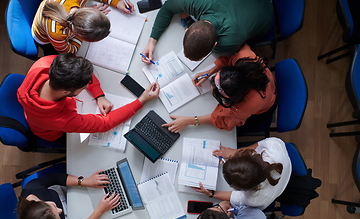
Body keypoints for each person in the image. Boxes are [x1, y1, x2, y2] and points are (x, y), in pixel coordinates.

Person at [17, 53, 159, 142]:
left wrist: (99, 94)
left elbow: (79, 66)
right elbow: (104, 124)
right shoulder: (63, 120)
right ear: (65, 92)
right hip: (51, 133)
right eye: (84, 87)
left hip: (36, 114)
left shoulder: (46, 63)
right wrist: (142, 100)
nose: (88, 86)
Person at [162, 43, 276, 132]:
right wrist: (209, 72)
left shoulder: (244, 107)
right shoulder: (243, 56)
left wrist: (189, 121)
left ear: (233, 99)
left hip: (266, 104)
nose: (211, 88)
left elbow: (222, 121)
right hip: (265, 82)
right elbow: (229, 56)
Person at [141, 0, 274, 63]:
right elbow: (168, 7)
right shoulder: (197, 3)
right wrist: (152, 41)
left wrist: (188, 20)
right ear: (187, 31)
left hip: (266, 15)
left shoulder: (227, 44)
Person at [193, 137, 292, 210]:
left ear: (241, 189)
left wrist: (211, 193)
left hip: (277, 189)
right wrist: (237, 152)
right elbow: (266, 142)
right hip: (283, 176)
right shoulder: (274, 149)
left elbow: (236, 197)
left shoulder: (254, 199)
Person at [17, 171, 119, 219]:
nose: (60, 210)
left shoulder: (33, 188)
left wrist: (84, 181)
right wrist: (99, 211)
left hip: (66, 191)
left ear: (40, 202)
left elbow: (55, 177)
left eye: (54, 206)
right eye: (57, 218)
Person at [32, 0, 135, 55]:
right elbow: (70, 51)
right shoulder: (57, 33)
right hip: (44, 38)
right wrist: (79, 38)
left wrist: (116, 2)